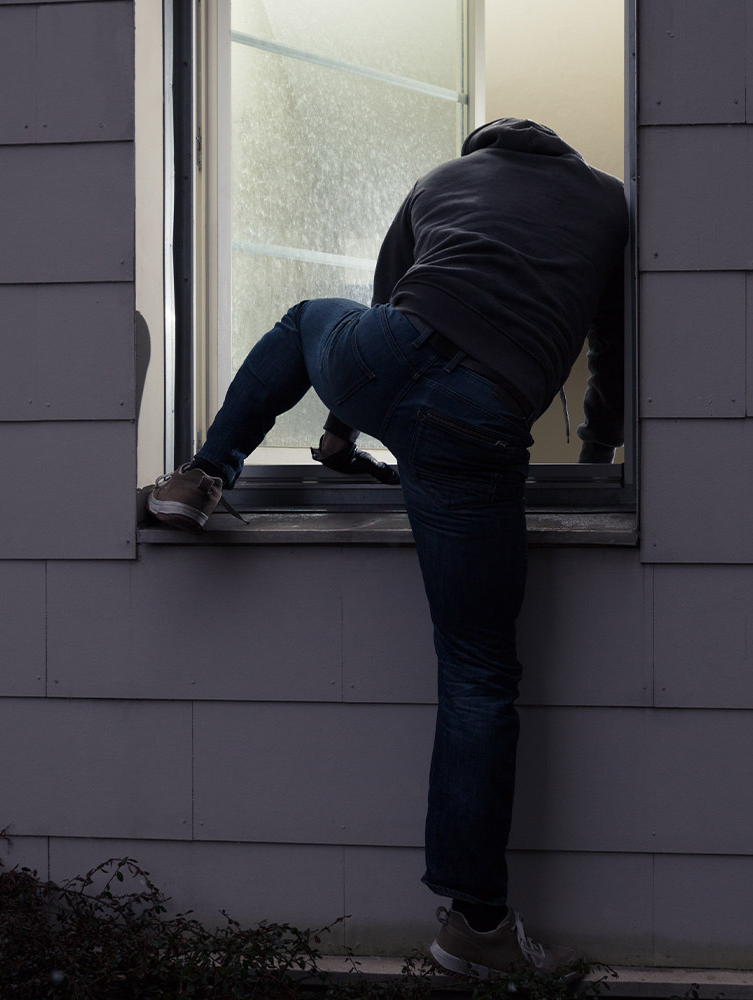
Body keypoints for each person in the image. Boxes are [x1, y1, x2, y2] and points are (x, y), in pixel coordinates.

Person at [148, 117, 628, 980]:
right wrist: (599, 460)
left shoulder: (442, 179)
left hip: (385, 357)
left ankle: (199, 475)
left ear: (486, 150)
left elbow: (386, 301)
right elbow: (616, 355)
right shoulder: (610, 206)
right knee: (479, 671)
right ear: (561, 154)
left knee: (304, 319)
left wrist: (337, 434)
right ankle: (475, 926)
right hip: (480, 417)